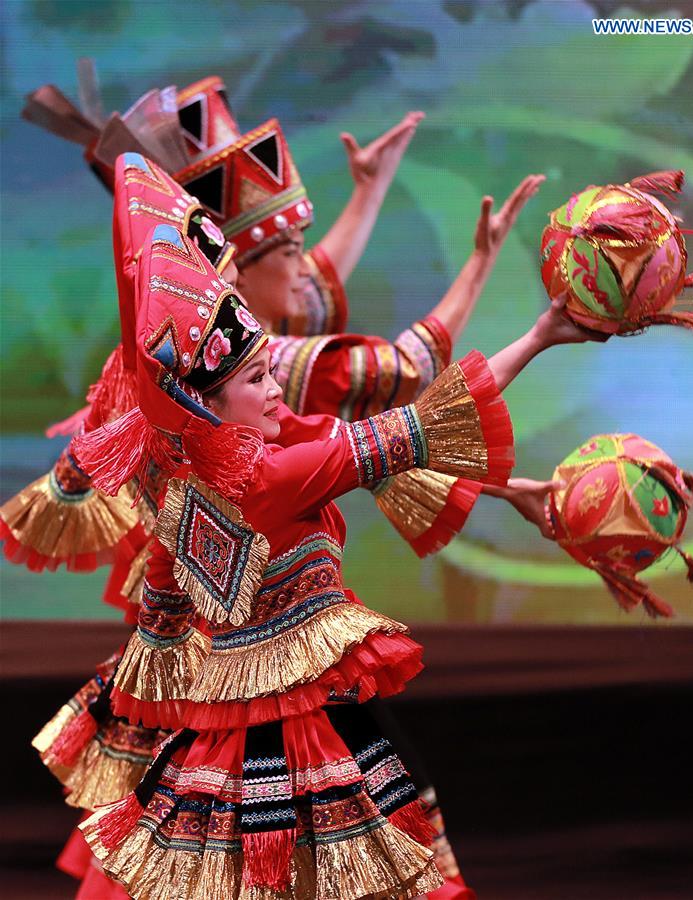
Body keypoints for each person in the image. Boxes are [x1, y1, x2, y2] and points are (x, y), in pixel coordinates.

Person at [74, 221, 600, 898]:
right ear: (206, 405)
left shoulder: (185, 483)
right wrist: (539, 337)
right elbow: (419, 424)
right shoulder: (270, 480)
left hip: (232, 742)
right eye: (259, 378)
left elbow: (162, 629)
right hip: (307, 737)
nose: (274, 391)